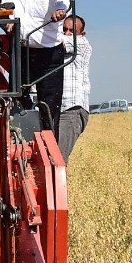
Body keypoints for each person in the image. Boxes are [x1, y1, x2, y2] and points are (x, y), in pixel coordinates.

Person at [1, 0, 69, 134]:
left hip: (51, 55)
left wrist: (59, 13)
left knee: (50, 107)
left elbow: (61, 4)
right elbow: (7, 10)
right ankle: (23, 144)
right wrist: (6, 21)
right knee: (19, 105)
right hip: (22, 54)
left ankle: (49, 152)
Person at [58, 15, 92, 160]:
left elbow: (55, 41)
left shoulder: (82, 44)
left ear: (82, 34)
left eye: (72, 31)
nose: (67, 33)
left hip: (71, 109)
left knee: (57, 160)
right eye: (64, 29)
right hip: (56, 109)